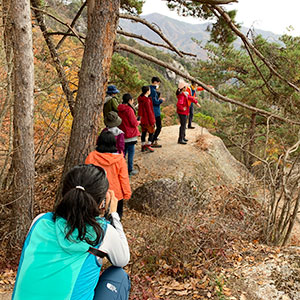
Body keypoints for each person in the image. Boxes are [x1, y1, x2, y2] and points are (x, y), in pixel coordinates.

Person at [12, 164, 130, 300]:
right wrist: (113, 215)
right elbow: (123, 259)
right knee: (118, 275)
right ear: (101, 202)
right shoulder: (103, 232)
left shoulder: (40, 221)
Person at [85, 131, 131, 219]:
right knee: (115, 219)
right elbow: (124, 178)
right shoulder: (119, 159)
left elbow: (87, 176)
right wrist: (127, 193)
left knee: (96, 220)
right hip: (115, 195)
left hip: (97, 194)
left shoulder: (91, 157)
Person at [118, 93, 140, 176]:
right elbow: (133, 123)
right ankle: (130, 170)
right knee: (131, 153)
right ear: (129, 100)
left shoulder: (119, 109)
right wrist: (138, 122)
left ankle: (120, 169)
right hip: (130, 134)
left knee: (123, 153)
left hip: (122, 134)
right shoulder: (129, 110)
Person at [176, 80, 201, 145]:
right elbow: (179, 104)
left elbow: (190, 98)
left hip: (184, 112)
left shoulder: (185, 94)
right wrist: (183, 109)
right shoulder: (182, 95)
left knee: (184, 125)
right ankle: (180, 139)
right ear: (183, 88)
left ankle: (183, 137)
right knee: (183, 125)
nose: (187, 87)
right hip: (182, 113)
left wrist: (196, 103)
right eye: (186, 86)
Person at [138, 86, 156, 152]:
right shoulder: (147, 100)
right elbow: (149, 112)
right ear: (147, 91)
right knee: (151, 132)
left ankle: (143, 146)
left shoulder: (141, 99)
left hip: (142, 119)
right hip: (148, 119)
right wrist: (152, 121)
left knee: (143, 132)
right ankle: (148, 145)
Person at [149, 76, 165, 148]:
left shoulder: (150, 89)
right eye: (158, 83)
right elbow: (155, 102)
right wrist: (161, 100)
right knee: (159, 126)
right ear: (155, 82)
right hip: (155, 111)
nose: (158, 85)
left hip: (152, 111)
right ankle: (152, 140)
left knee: (154, 126)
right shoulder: (153, 91)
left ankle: (152, 140)